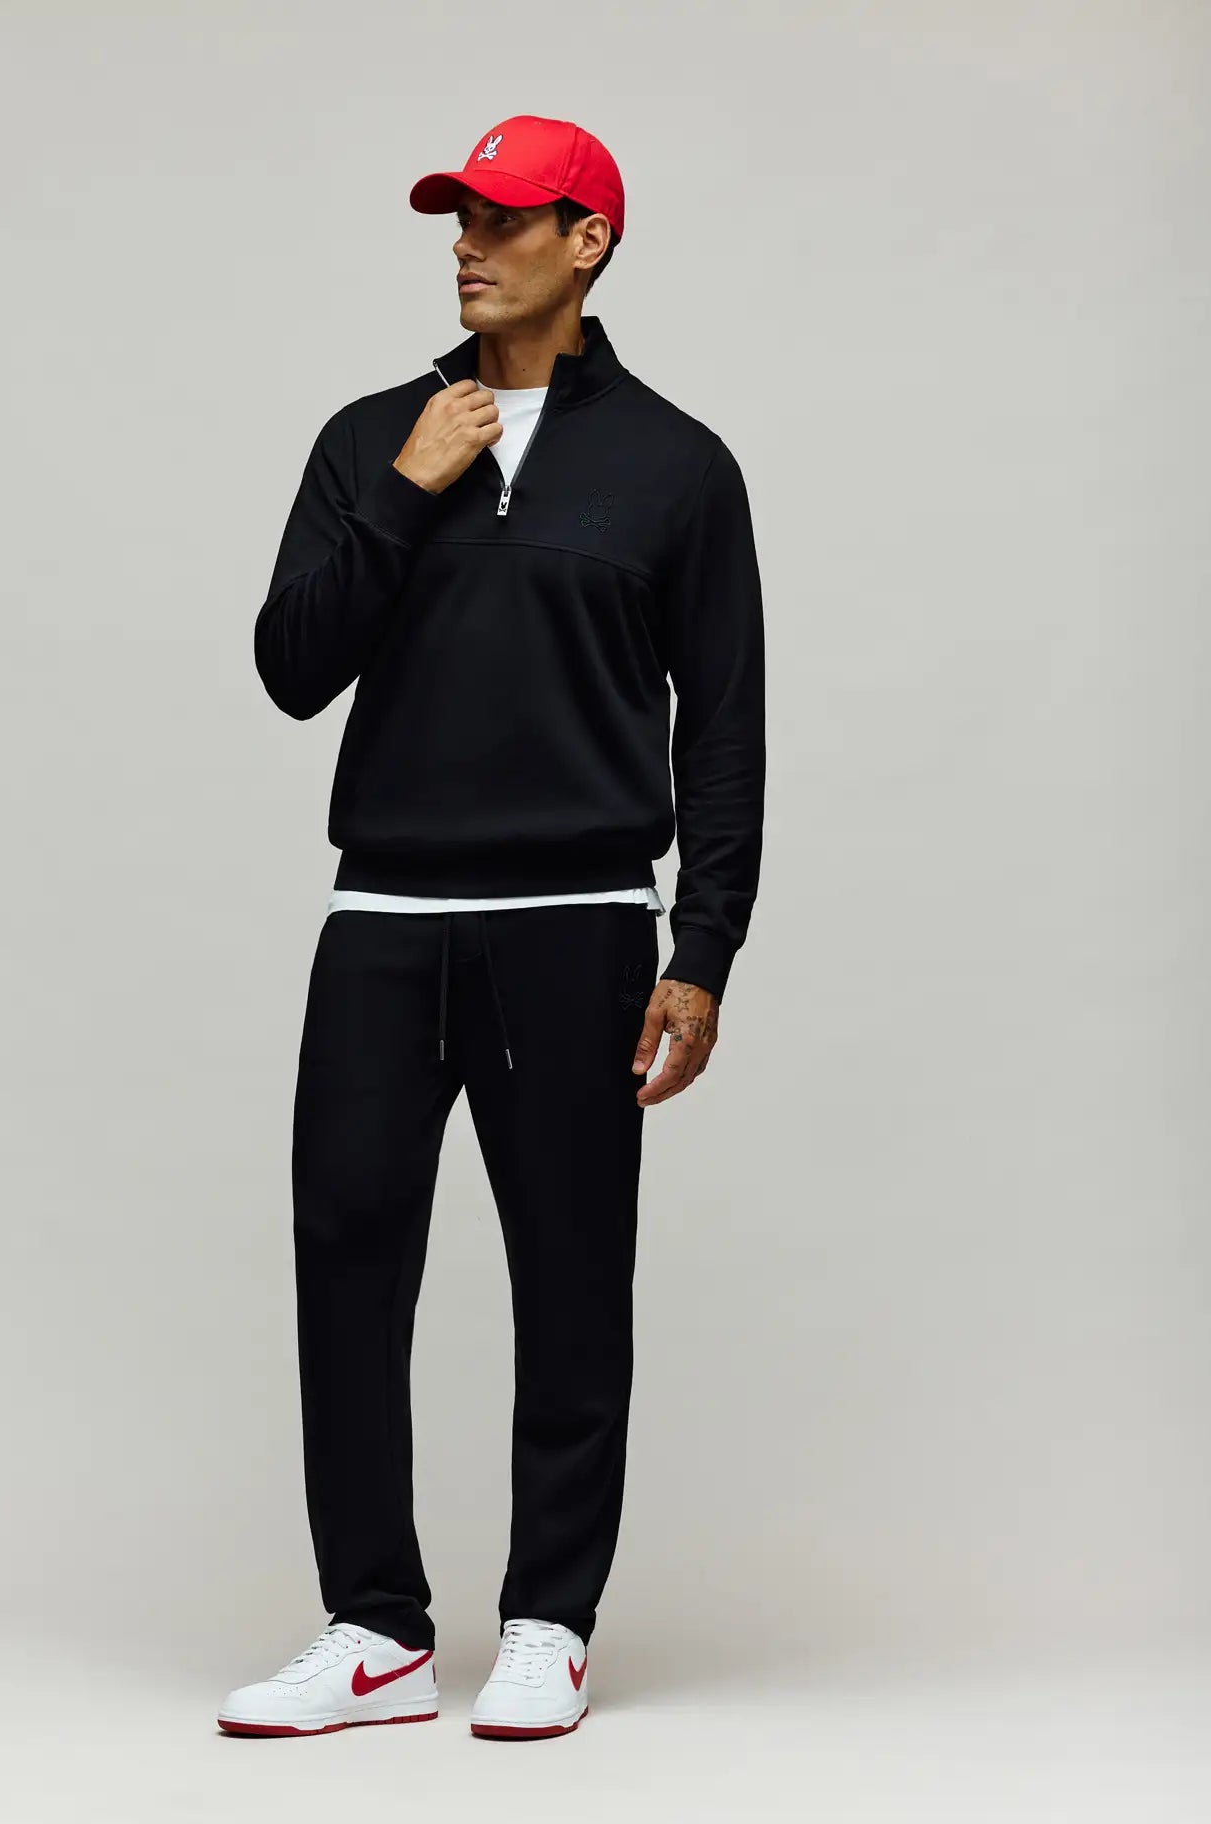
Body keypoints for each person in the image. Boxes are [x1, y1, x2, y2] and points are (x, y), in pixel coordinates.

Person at [217, 114, 765, 1741]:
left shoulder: (677, 465)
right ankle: (375, 1629)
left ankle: (550, 1618)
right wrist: (406, 492)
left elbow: (724, 727)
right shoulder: (369, 437)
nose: (470, 241)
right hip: (384, 921)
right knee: (347, 1260)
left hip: (578, 927)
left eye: (509, 218)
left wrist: (703, 950)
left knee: (574, 1274)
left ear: (588, 240)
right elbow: (292, 665)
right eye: (459, 215)